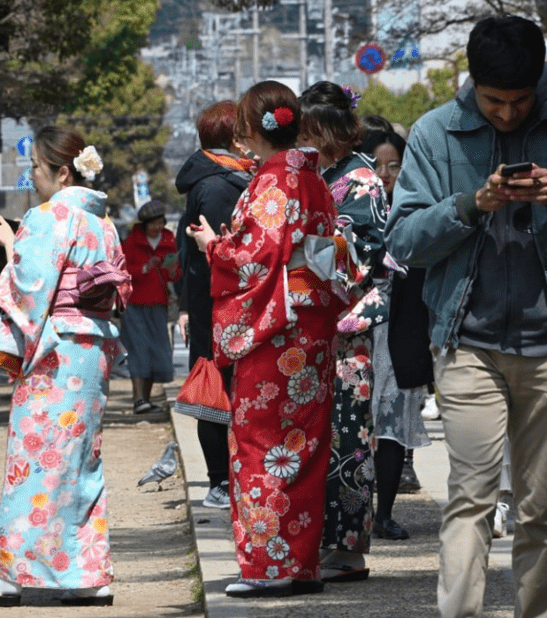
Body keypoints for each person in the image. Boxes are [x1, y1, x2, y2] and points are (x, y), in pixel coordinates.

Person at [383, 16, 547, 618]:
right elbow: (402, 242)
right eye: (494, 100)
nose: (507, 114)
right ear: (471, 84)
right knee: (471, 497)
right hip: (467, 342)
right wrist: (470, 203)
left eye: (521, 100)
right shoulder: (435, 134)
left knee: (540, 506)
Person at [188, 80, 358, 598]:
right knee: (303, 448)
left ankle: (268, 566)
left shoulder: (272, 182)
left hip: (277, 332)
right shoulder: (311, 179)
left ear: (248, 130)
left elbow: (255, 259)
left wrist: (213, 246)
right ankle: (300, 564)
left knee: (261, 447)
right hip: (312, 330)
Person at [0, 125, 131, 607]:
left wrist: (8, 244)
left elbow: (30, 286)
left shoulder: (48, 217)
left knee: (34, 459)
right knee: (81, 462)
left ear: (63, 173)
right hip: (93, 348)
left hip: (56, 351)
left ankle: (14, 576)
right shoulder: (103, 222)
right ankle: (88, 575)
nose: (32, 179)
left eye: (36, 170)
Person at [298, 81, 387, 581]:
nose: (305, 140)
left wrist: (297, 246)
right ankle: (322, 541)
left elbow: (360, 256)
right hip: (315, 323)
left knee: (349, 436)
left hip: (347, 324)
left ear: (334, 130)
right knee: (317, 436)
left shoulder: (362, 182)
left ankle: (349, 547)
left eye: (312, 130)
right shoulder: (322, 173)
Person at [173, 100, 253, 509]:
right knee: (218, 390)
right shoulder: (220, 185)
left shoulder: (214, 178)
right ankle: (221, 479)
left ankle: (225, 477)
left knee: (218, 388)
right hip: (221, 307)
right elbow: (214, 255)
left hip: (212, 306)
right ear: (232, 138)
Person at [359, 130, 432, 540]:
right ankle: (353, 513)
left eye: (394, 166)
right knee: (356, 425)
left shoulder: (414, 208)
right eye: (376, 165)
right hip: (359, 330)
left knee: (390, 426)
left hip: (400, 328)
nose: (384, 175)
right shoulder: (352, 206)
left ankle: (383, 512)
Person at [120, 200, 181, 413]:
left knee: (158, 351)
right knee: (139, 350)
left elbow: (174, 275)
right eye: (153, 223)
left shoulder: (169, 240)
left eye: (160, 222)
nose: (157, 227)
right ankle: (138, 399)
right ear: (144, 224)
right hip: (135, 305)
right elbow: (122, 273)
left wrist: (173, 270)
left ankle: (145, 399)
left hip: (159, 304)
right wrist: (145, 268)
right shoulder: (131, 243)